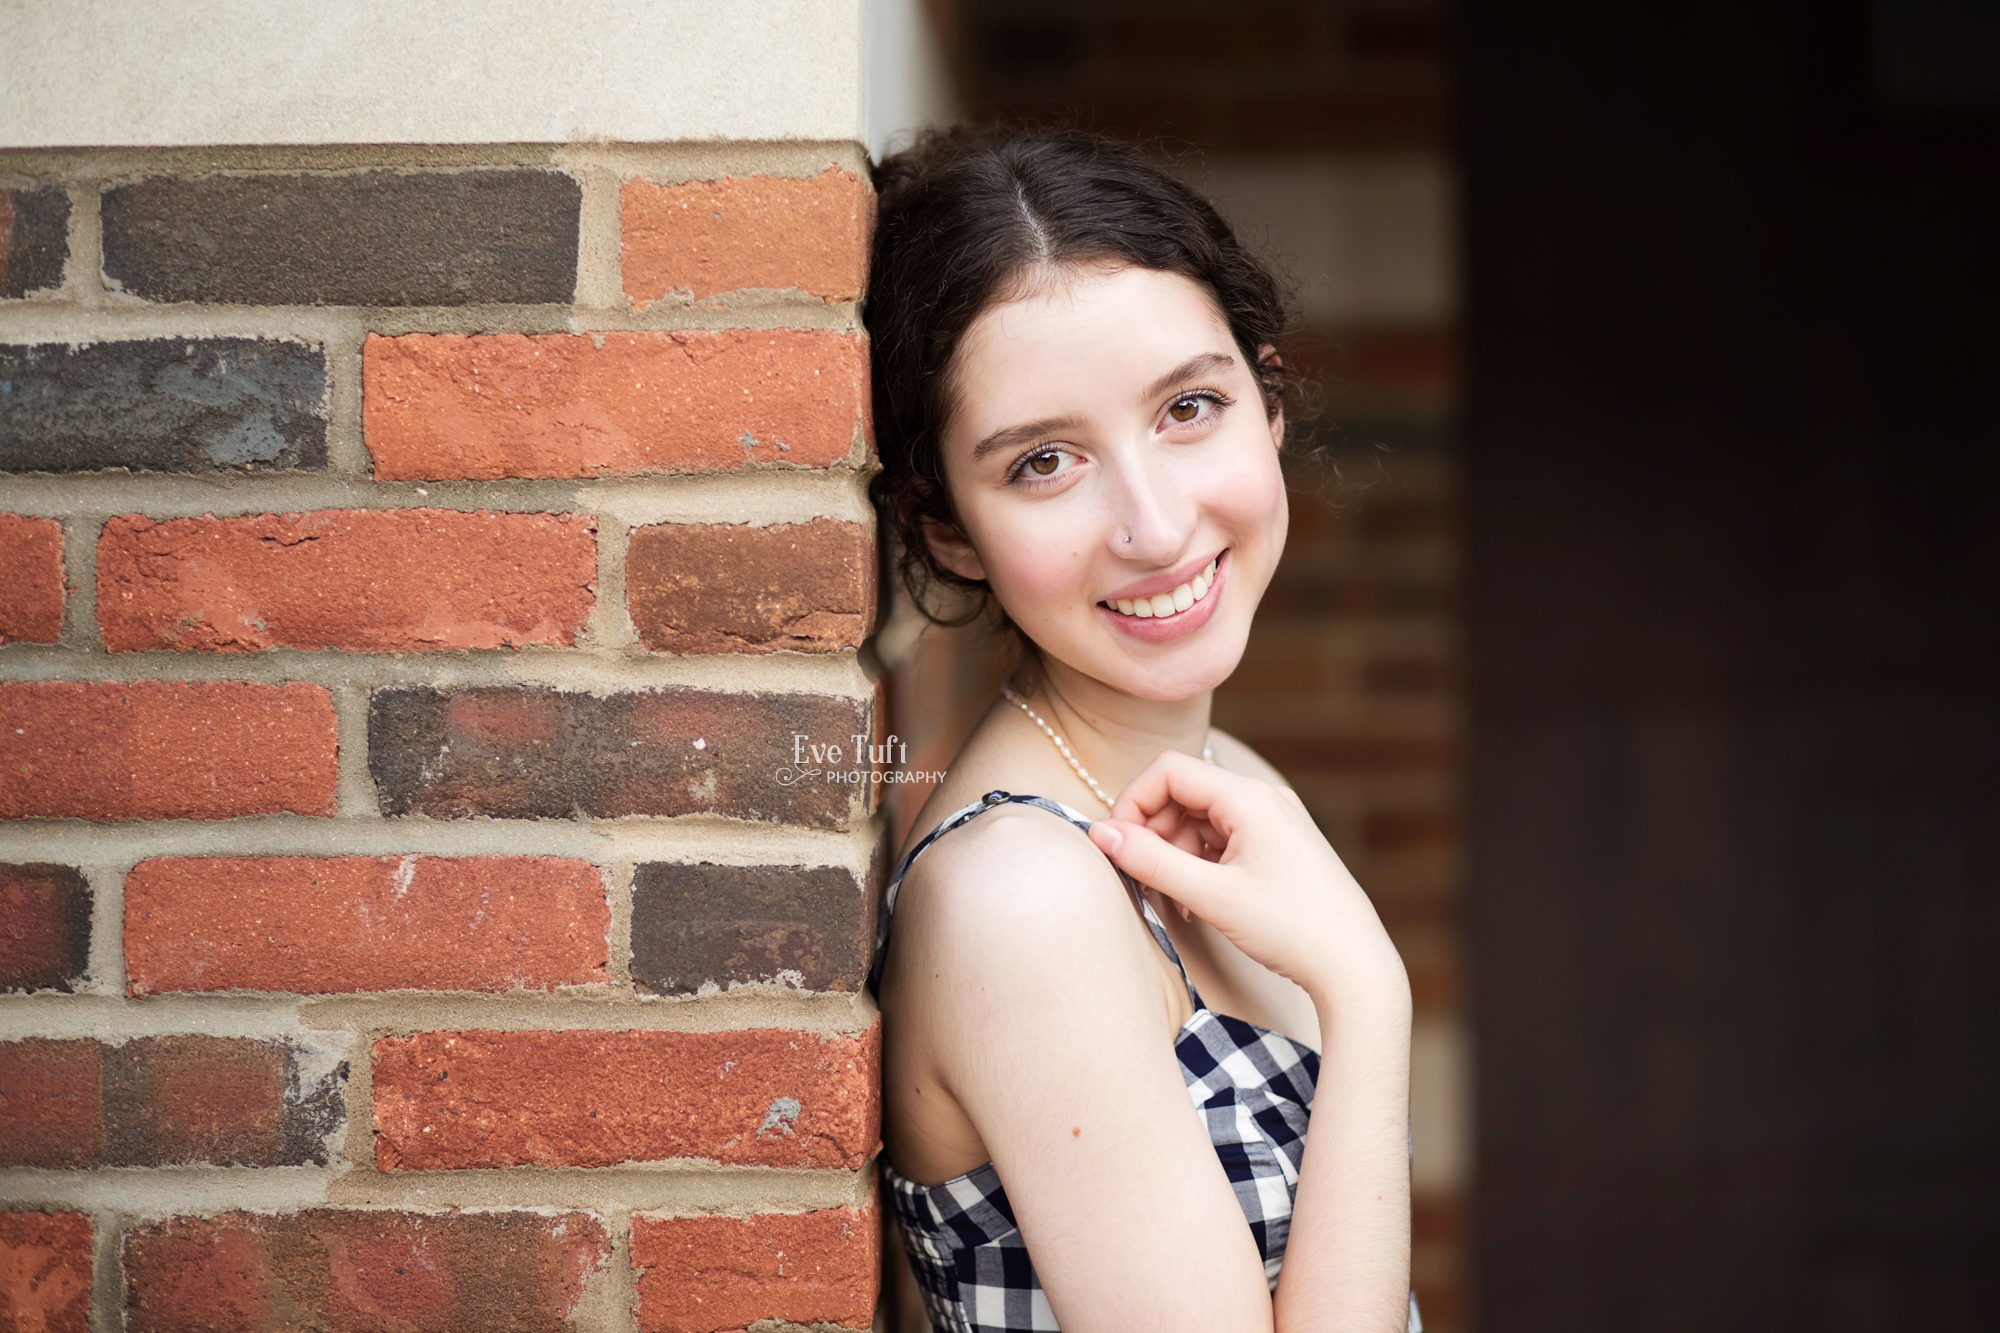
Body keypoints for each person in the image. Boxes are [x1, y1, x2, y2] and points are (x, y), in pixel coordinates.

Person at [863, 119, 1422, 1333]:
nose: (1157, 527)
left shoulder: (1223, 777)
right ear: (947, 526)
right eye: (1045, 462)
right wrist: (1368, 998)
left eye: (1189, 408)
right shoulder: (1019, 898)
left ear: (1267, 400)